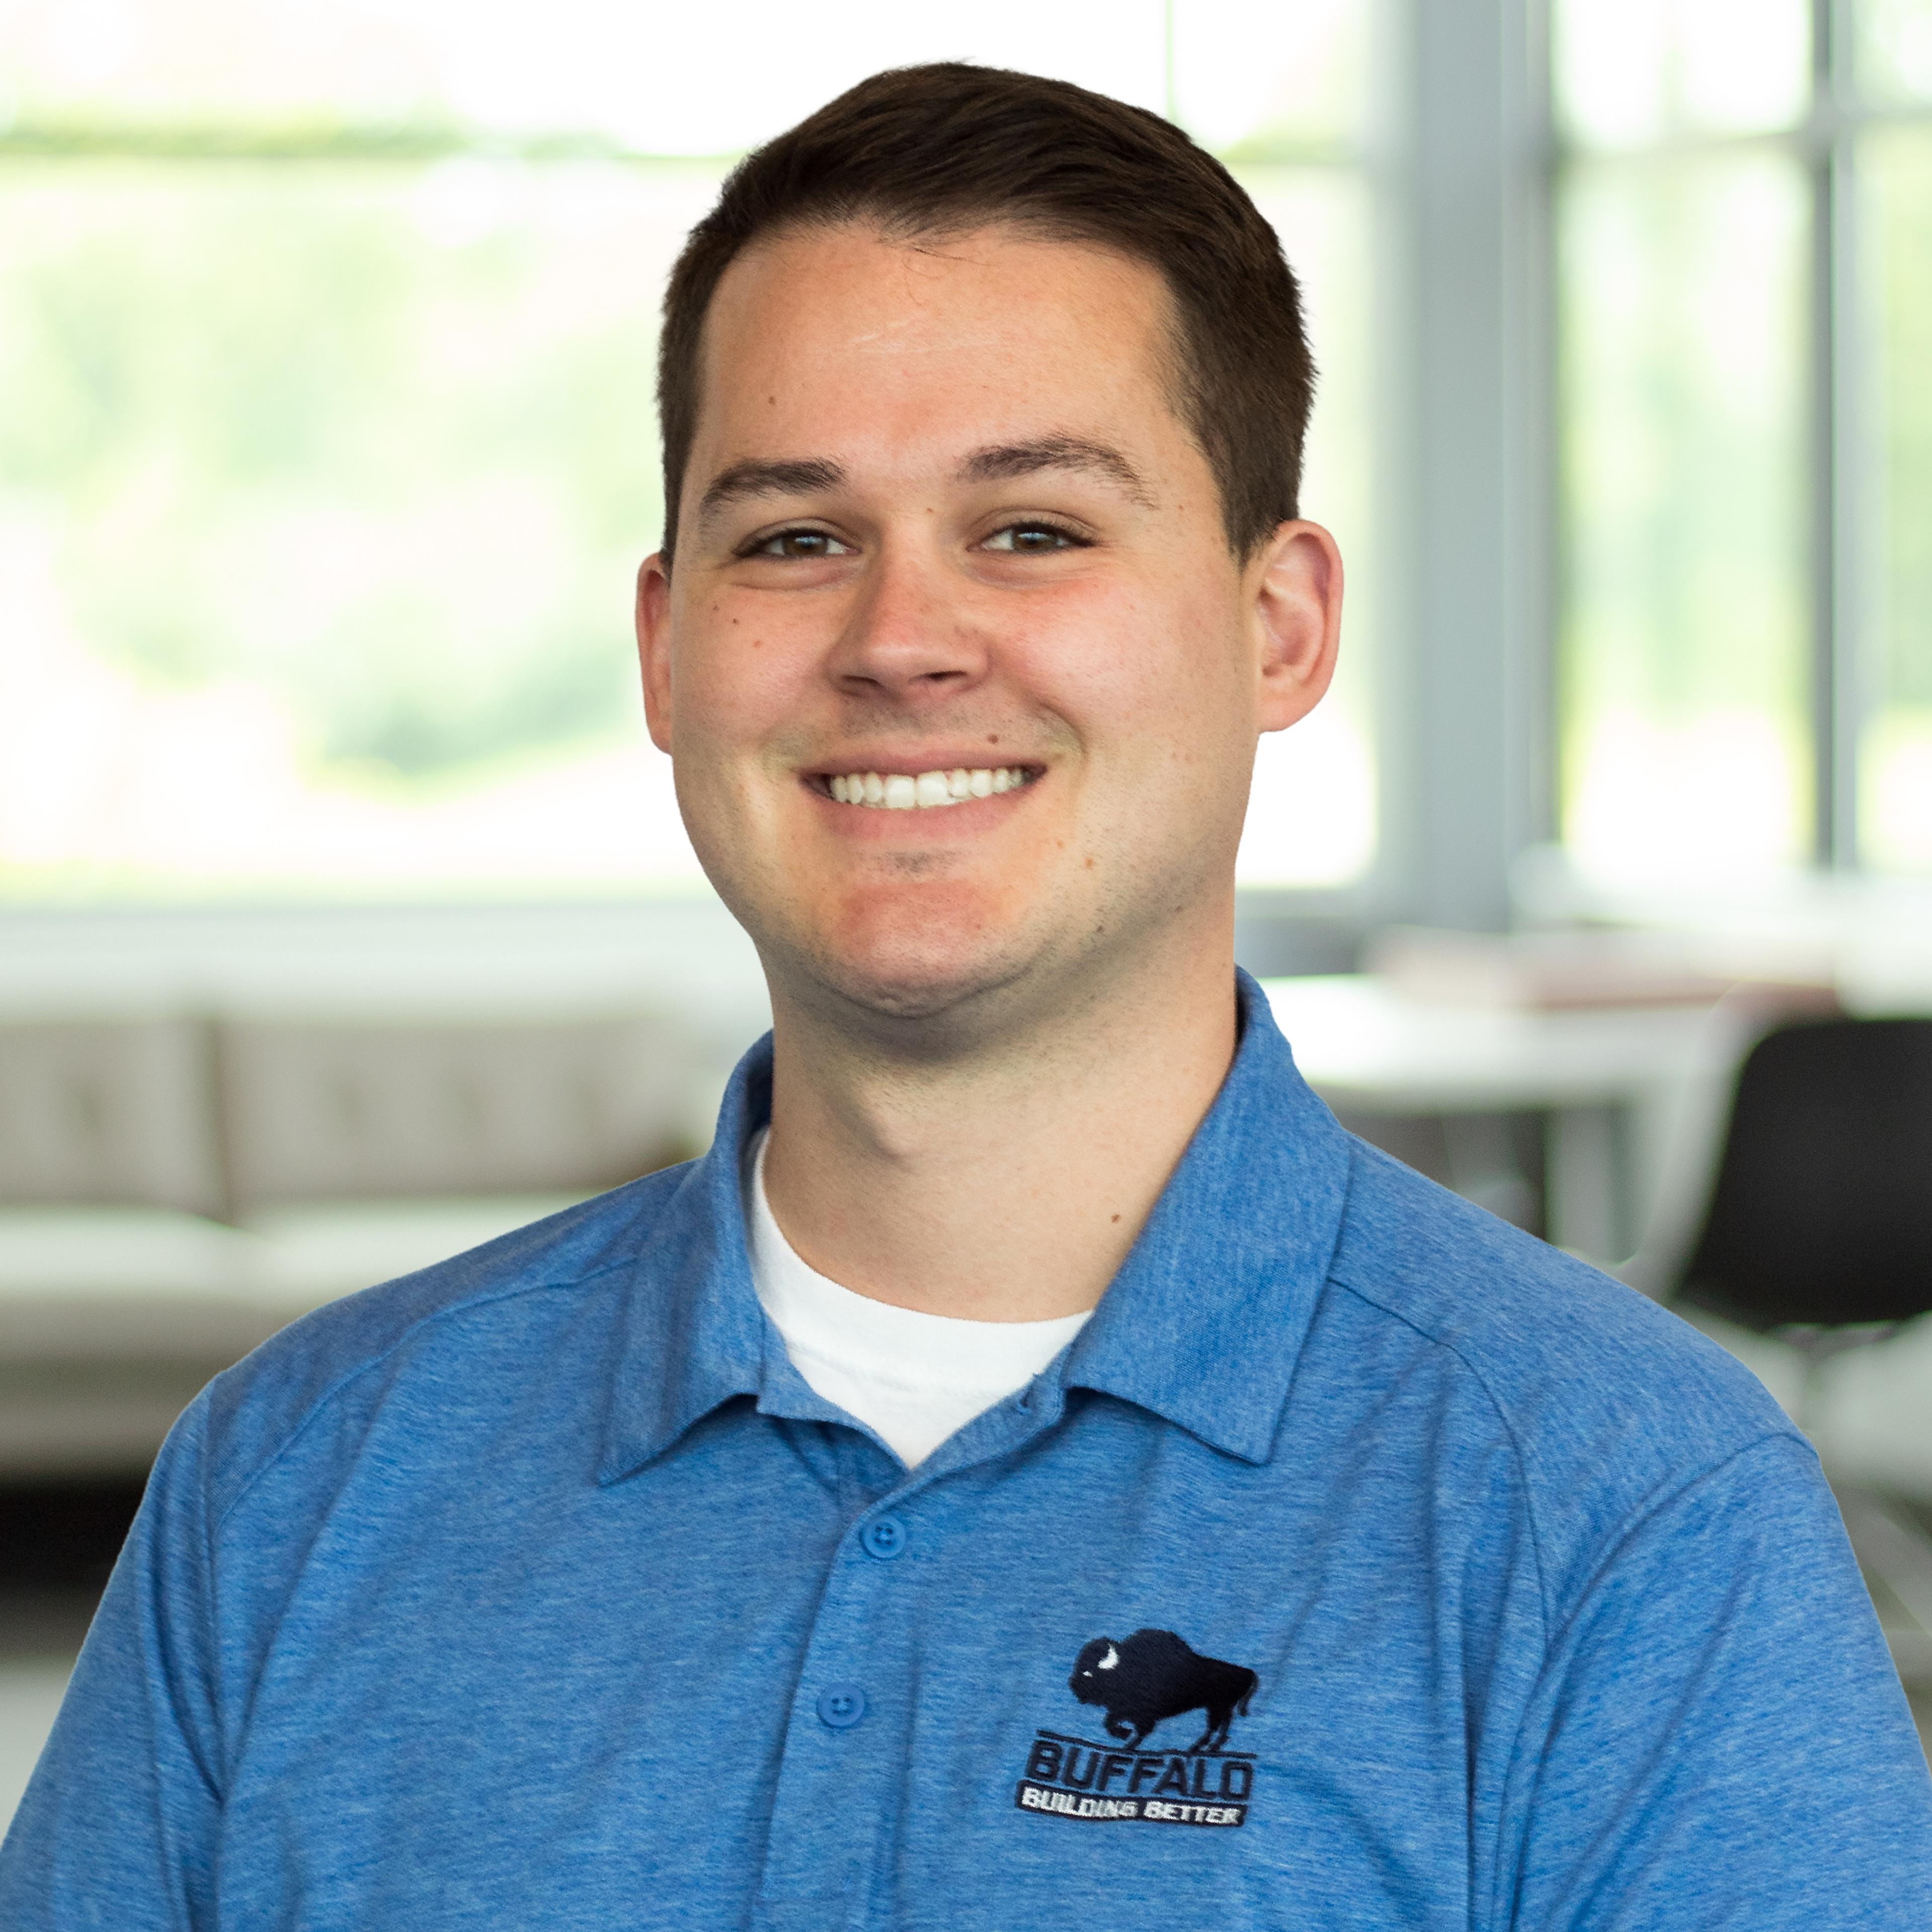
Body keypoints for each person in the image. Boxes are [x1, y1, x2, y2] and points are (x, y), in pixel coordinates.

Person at [4, 61, 1928, 1930]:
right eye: (796, 539)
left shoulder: (1628, 1516)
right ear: (671, 653)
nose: (902, 639)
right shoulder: (296, 1483)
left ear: (1280, 625)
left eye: (1034, 529)